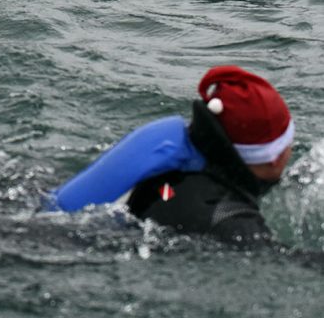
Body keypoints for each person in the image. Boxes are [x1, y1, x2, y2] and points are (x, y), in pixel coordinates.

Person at [47, 65, 295, 246]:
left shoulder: (176, 152)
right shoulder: (228, 217)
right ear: (274, 156)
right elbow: (281, 266)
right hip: (55, 243)